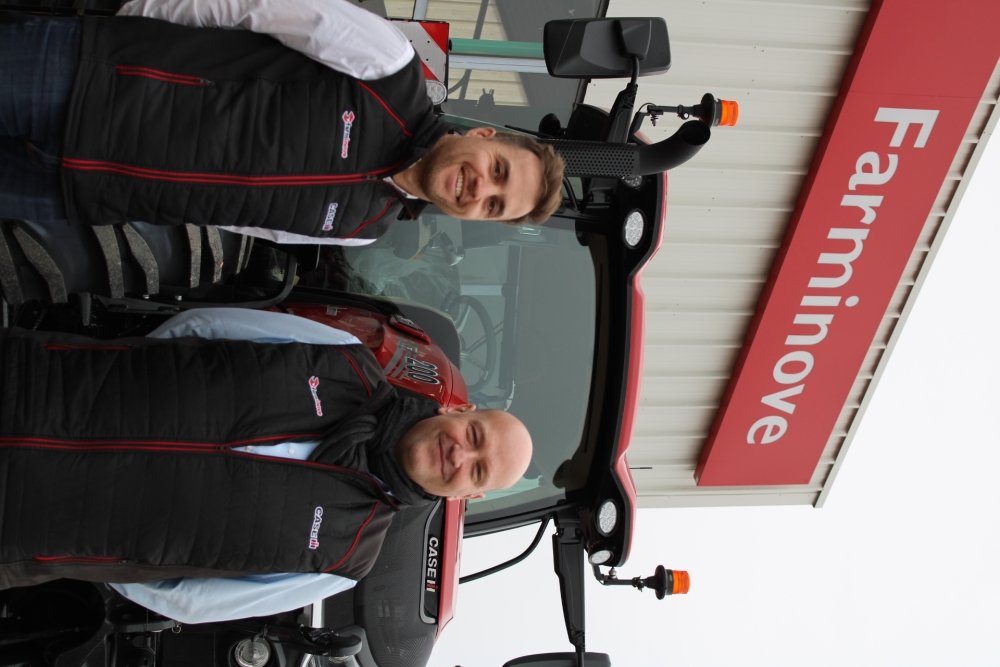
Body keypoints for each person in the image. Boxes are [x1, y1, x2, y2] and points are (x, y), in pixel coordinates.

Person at [0, 308, 533, 622]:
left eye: (478, 469)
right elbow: (204, 328)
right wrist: (135, 383)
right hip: (31, 382)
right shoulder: (344, 357)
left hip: (19, 527)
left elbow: (192, 603)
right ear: (460, 409)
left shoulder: (346, 558)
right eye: (475, 435)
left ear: (469, 495)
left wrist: (102, 550)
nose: (461, 454)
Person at [0, 0, 565, 246]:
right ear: (484, 135)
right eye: (497, 171)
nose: (480, 188)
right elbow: (259, 11)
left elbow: (240, 221)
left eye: (494, 203)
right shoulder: (390, 71)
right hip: (81, 82)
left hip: (74, 191)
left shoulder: (364, 229)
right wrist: (133, 36)